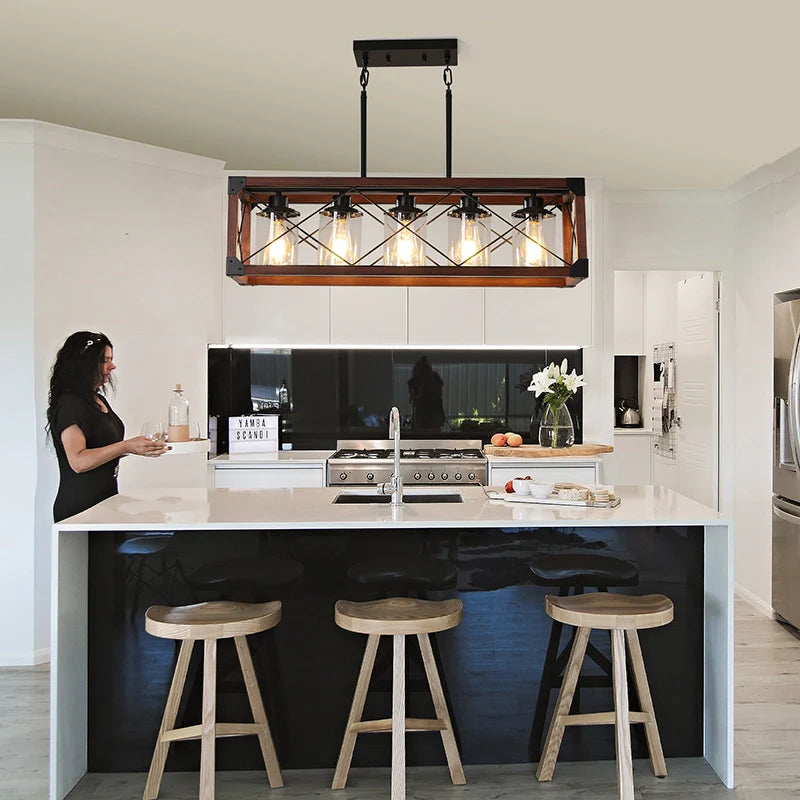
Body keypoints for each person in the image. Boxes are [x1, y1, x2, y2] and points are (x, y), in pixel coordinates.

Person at [47, 331, 166, 522]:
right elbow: (78, 462)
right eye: (104, 360)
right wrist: (126, 446)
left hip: (105, 503)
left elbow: (103, 447)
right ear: (83, 364)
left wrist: (138, 447)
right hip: (80, 509)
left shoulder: (97, 400)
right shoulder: (70, 405)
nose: (112, 366)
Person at [407, 355, 446, 430]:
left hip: (434, 416)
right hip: (420, 417)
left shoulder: (435, 381)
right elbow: (411, 400)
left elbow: (439, 393)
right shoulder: (414, 382)